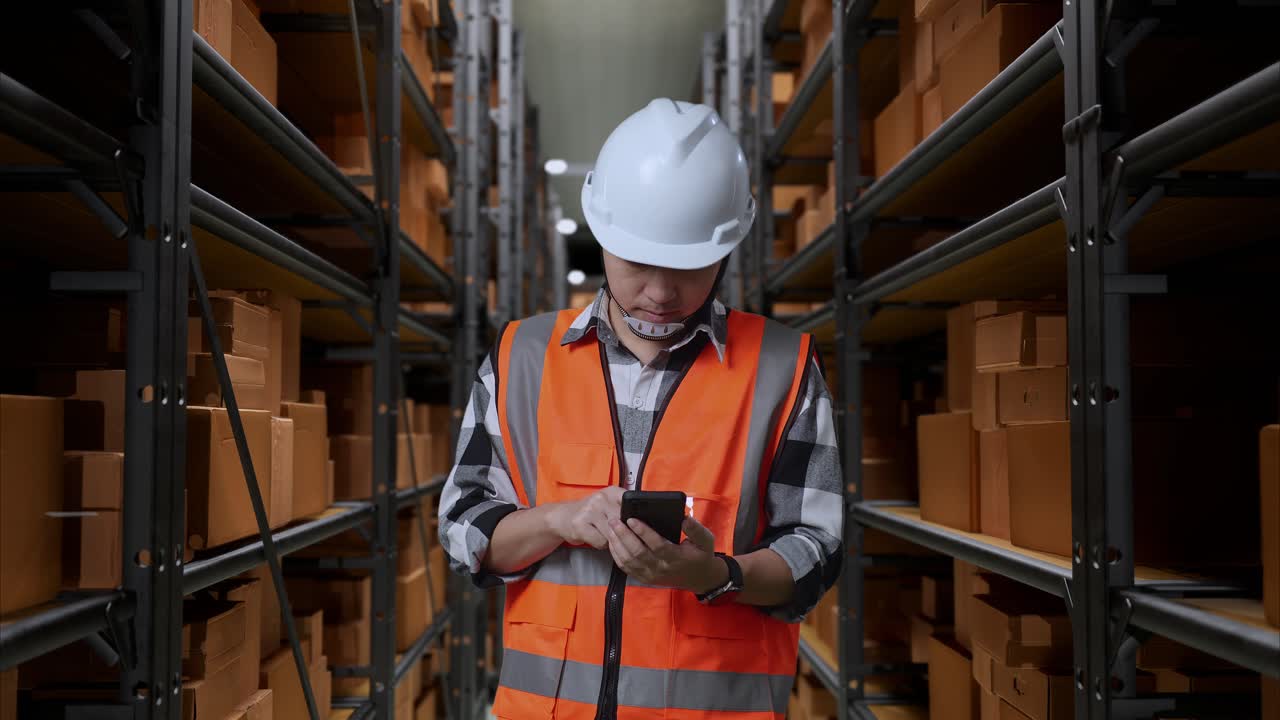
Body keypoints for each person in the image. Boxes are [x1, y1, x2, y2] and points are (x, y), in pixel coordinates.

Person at [438, 98, 843, 719]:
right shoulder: (521, 357)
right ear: (602, 235)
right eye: (637, 262)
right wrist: (558, 522)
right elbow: (465, 526)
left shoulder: (782, 368)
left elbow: (815, 552)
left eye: (687, 266)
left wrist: (715, 574)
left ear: (726, 249)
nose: (659, 291)